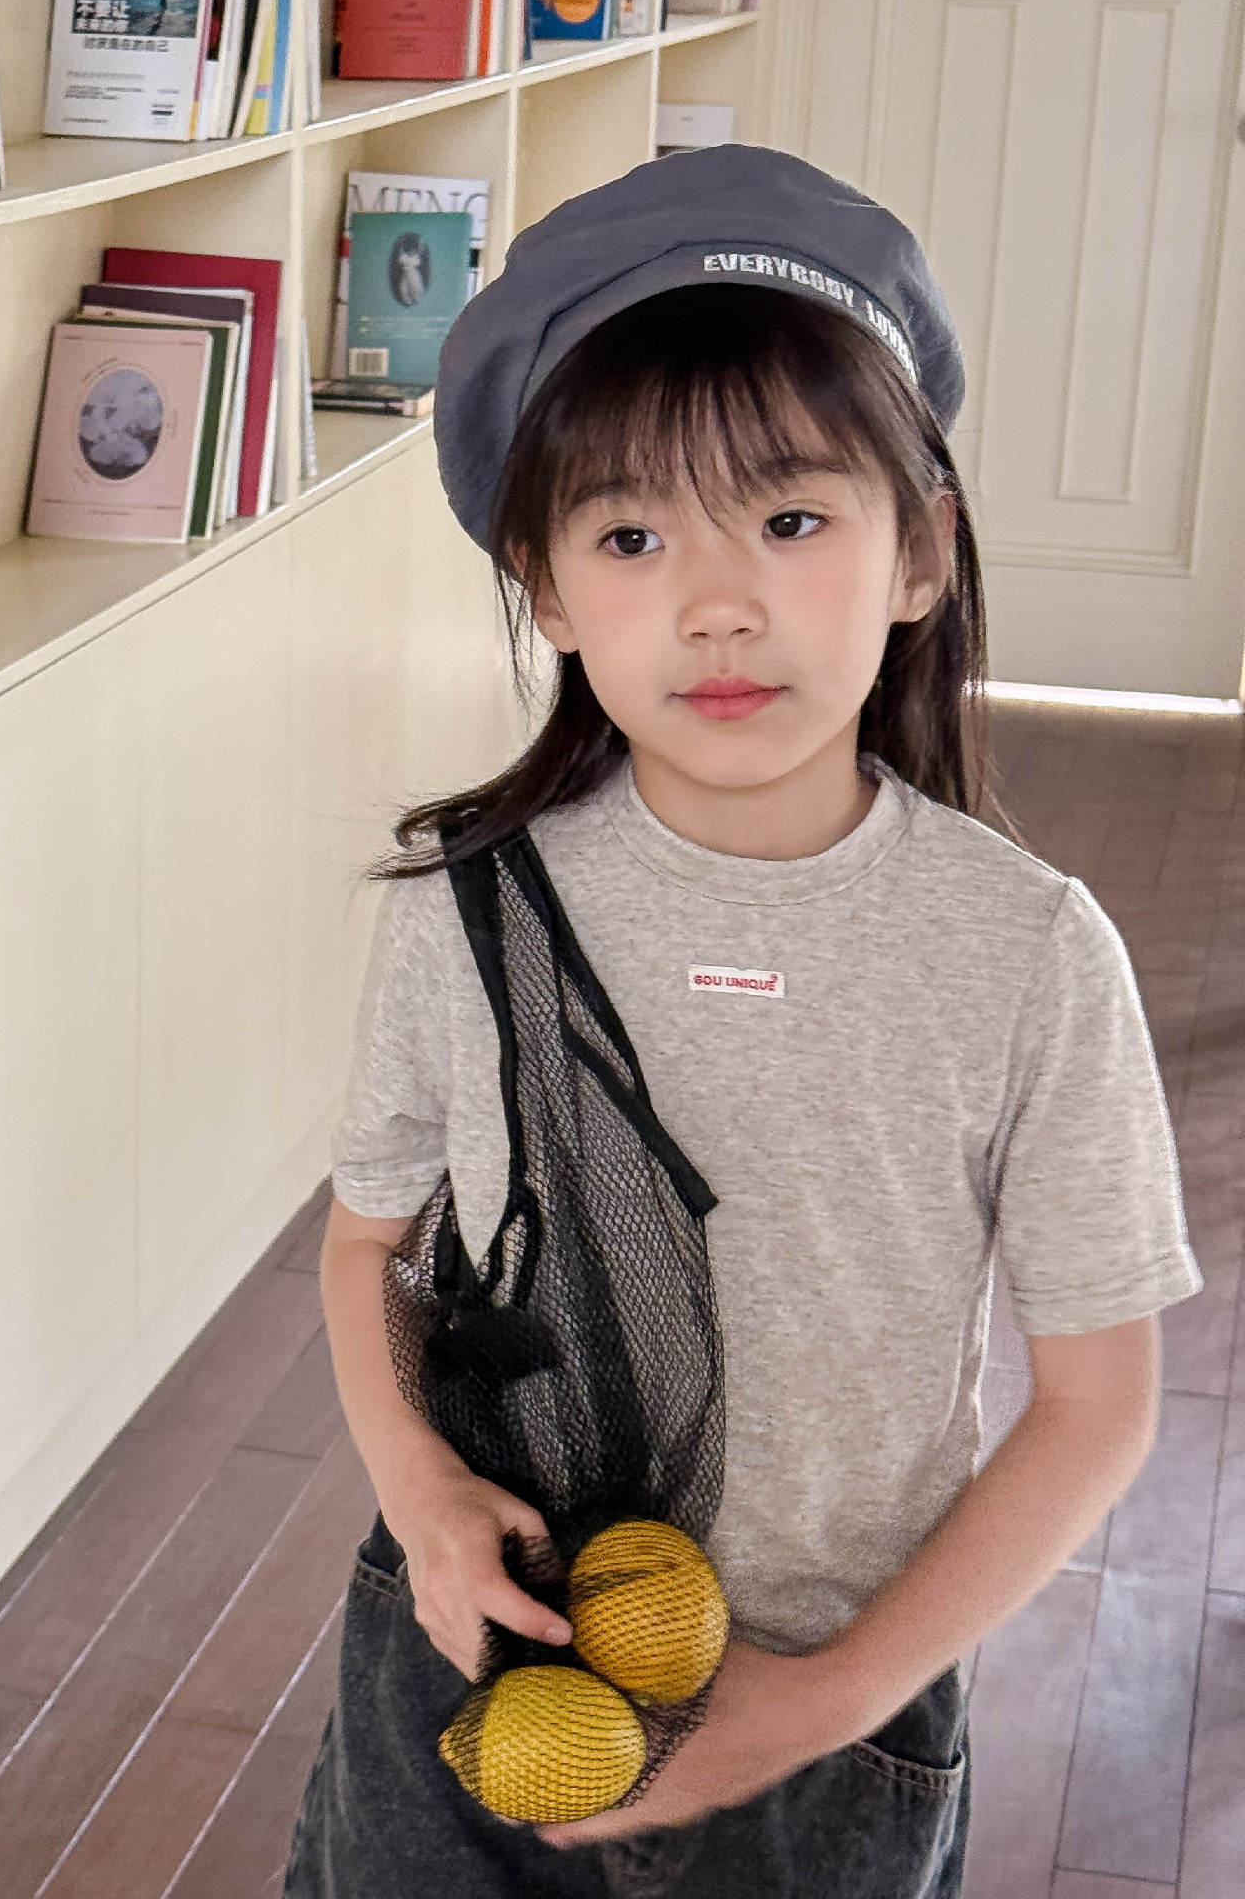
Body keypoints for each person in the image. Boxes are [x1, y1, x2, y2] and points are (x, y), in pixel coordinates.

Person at [280, 144, 1204, 1899]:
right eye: (631, 536)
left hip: (836, 1704)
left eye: (790, 520)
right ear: (549, 591)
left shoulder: (1027, 952)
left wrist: (822, 1703)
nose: (717, 603)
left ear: (920, 549)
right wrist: (421, 1495)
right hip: (475, 1656)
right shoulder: (467, 909)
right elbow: (369, 1243)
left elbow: (1100, 1406)